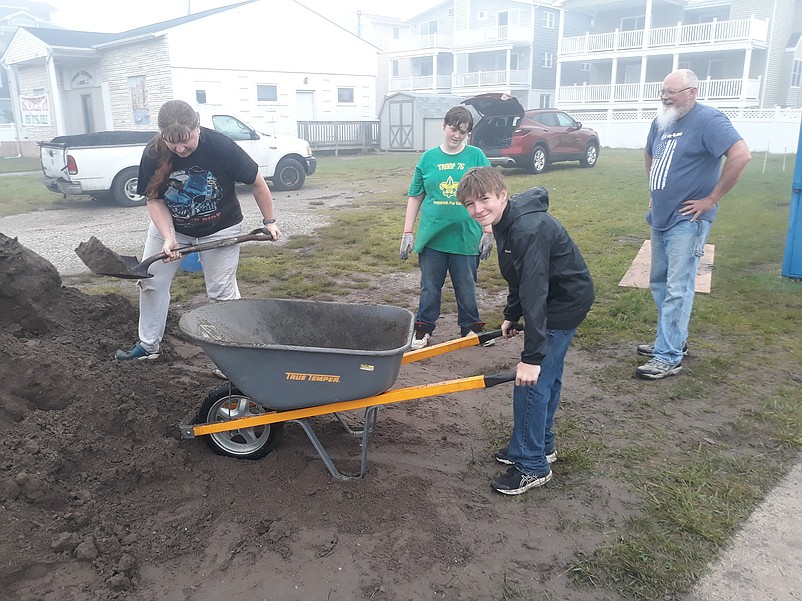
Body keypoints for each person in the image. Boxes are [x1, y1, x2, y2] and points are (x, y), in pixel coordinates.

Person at [456, 167, 594, 495]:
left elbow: (535, 289)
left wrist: (532, 357)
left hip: (561, 304)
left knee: (531, 382)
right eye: (470, 204)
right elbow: (518, 275)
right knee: (546, 378)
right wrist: (511, 314)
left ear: (502, 195)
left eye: (484, 200)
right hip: (554, 299)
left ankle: (532, 465)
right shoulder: (505, 220)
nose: (478, 209)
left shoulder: (528, 228)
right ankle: (537, 445)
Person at [115, 99, 281, 361]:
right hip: (172, 226)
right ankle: (148, 347)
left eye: (186, 141)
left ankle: (235, 357)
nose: (180, 149)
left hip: (220, 227)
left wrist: (269, 221)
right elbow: (155, 200)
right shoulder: (154, 153)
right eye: (173, 142)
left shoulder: (221, 147)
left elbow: (257, 182)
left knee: (221, 293)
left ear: (197, 128)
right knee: (151, 282)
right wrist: (169, 237)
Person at [637, 69, 751, 380]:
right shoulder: (663, 120)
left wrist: (711, 198)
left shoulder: (709, 120)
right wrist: (653, 192)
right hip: (660, 217)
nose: (665, 96)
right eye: (663, 91)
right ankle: (671, 340)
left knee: (678, 288)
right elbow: (649, 153)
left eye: (672, 91)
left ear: (692, 92)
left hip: (688, 220)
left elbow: (741, 155)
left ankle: (669, 356)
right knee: (659, 283)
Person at [399, 105, 494, 350]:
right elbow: (415, 195)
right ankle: (423, 328)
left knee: (466, 285)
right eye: (453, 129)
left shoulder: (476, 157)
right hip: (433, 237)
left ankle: (471, 327)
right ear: (444, 126)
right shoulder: (428, 158)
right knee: (430, 286)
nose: (457, 135)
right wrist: (407, 232)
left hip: (466, 237)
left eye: (463, 132)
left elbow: (489, 195)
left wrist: (488, 231)